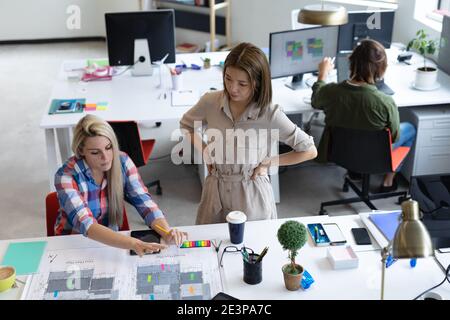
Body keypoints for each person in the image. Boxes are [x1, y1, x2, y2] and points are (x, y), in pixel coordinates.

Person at [180, 42, 317, 224]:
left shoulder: (270, 113)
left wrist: (269, 163)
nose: (232, 88)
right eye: (228, 79)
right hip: (215, 191)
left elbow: (309, 150)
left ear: (257, 83)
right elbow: (186, 125)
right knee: (209, 245)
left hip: (251, 195)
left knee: (254, 249)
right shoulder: (210, 102)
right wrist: (205, 150)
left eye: (242, 83)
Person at [54, 115, 187, 256]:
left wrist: (167, 232)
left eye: (108, 147)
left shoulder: (122, 161)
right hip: (73, 244)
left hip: (113, 242)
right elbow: (88, 225)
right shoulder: (66, 176)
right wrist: (133, 243)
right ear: (81, 151)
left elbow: (146, 204)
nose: (105, 158)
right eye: (95, 152)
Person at [311, 39, 416, 193]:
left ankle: (355, 169)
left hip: (341, 151)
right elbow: (394, 136)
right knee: (410, 129)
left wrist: (322, 75)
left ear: (351, 62)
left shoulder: (331, 92)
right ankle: (388, 182)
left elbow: (316, 100)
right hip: (374, 154)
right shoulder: (385, 102)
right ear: (381, 69)